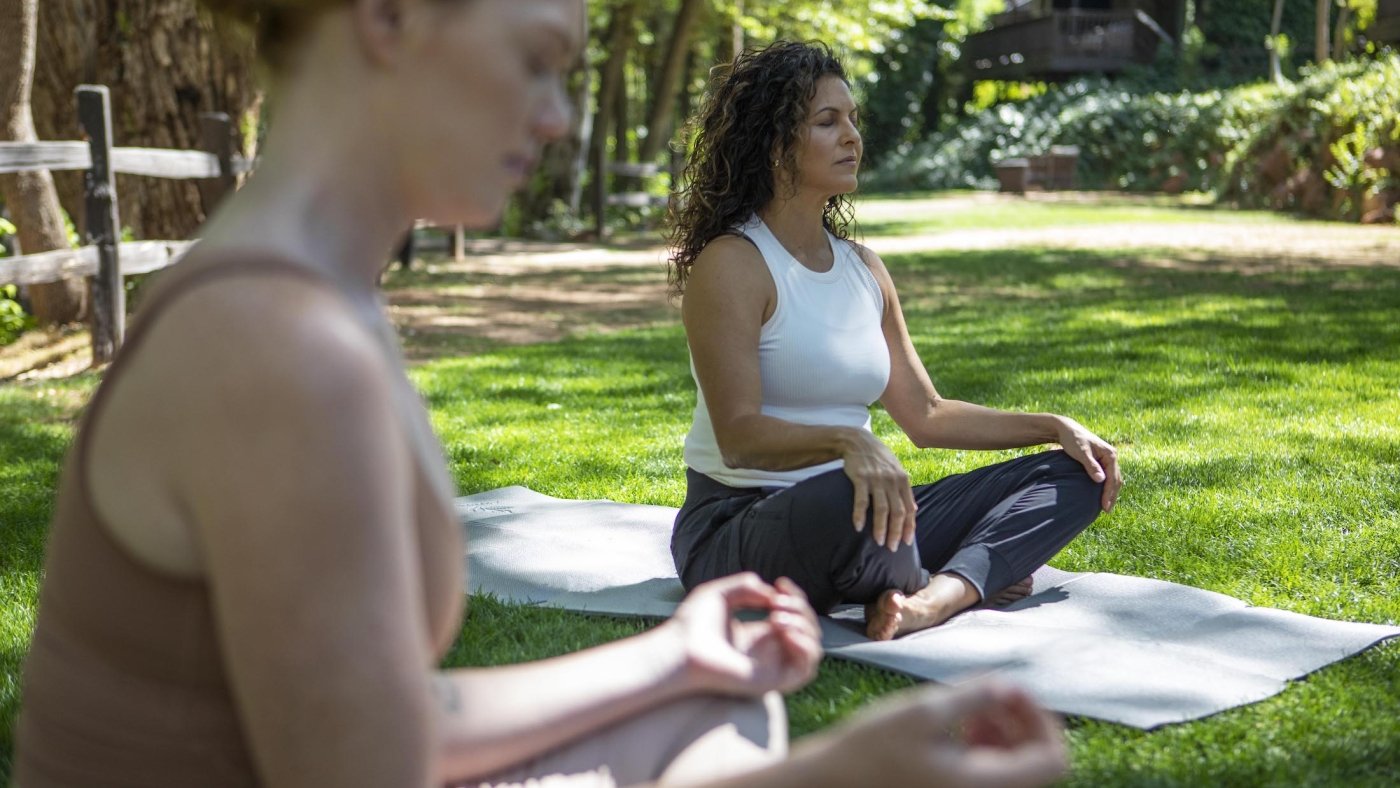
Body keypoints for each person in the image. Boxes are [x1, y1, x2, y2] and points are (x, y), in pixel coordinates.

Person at [14, 5, 1067, 786]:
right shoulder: (278, 345)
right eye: (535, 63)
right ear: (388, 19)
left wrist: (675, 659)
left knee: (722, 714)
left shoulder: (304, 298)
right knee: (735, 729)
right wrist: (849, 770)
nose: (562, 118)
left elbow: (381, 725)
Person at [668, 41, 1123, 643]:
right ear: (773, 143)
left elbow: (927, 416)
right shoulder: (733, 264)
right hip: (739, 523)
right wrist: (849, 442)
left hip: (867, 509)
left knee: (1078, 474)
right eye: (827, 122)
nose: (852, 136)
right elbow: (738, 436)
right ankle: (953, 571)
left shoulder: (863, 268)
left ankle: (934, 595)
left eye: (853, 120)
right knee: (851, 504)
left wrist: (1054, 426)